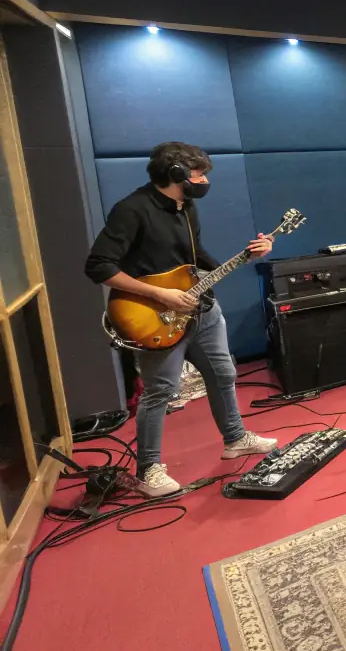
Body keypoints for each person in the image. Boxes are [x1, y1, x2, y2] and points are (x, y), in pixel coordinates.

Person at [85, 141, 277, 496]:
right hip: (154, 315)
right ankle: (148, 470)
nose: (203, 180)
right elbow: (98, 266)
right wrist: (159, 294)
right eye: (198, 174)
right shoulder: (132, 210)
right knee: (160, 391)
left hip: (201, 309)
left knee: (223, 373)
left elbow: (195, 257)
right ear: (175, 175)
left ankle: (235, 438)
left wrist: (245, 258)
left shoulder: (185, 207)